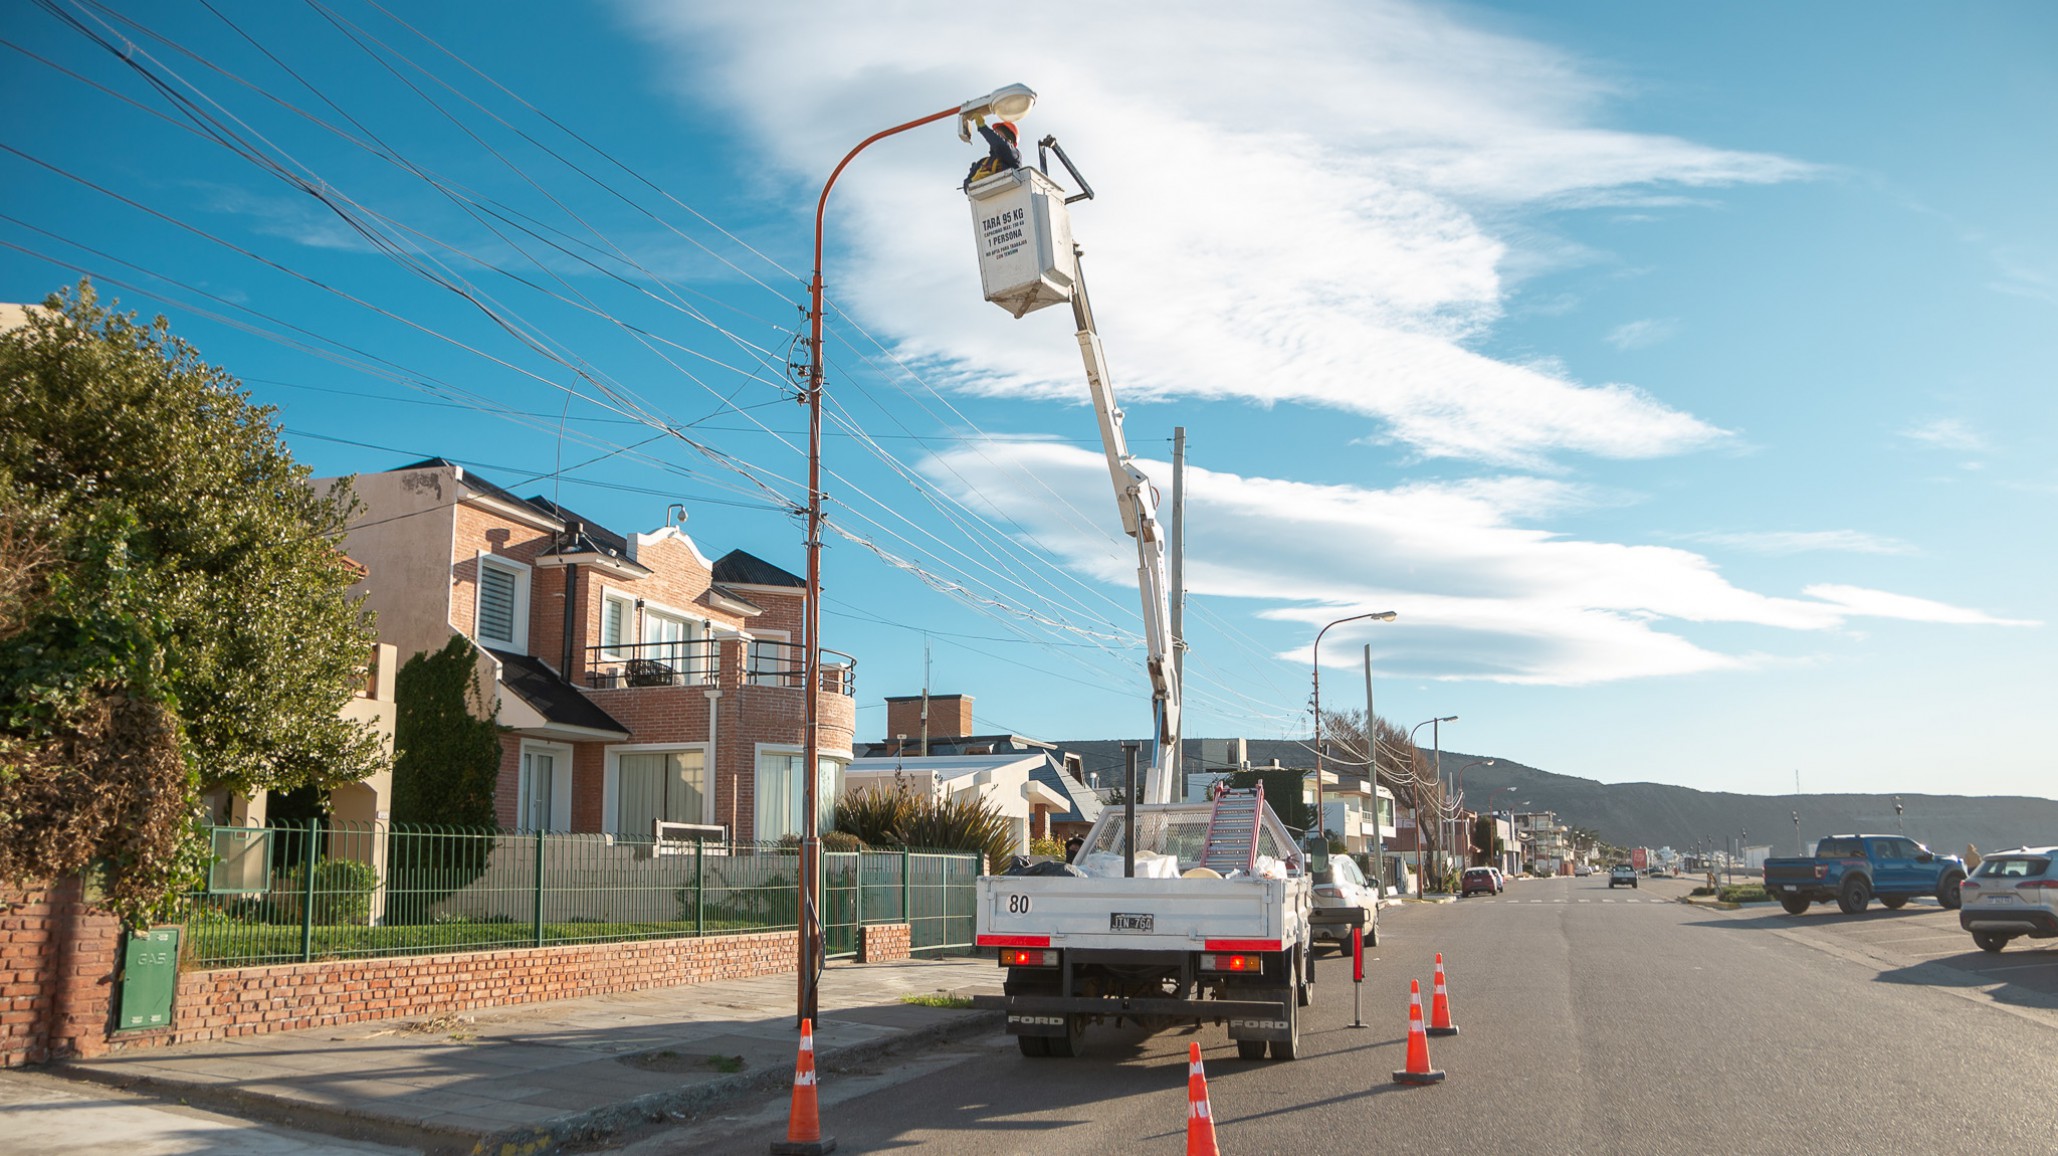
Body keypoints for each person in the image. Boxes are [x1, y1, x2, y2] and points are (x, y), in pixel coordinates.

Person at [962, 119, 1022, 190]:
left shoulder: (1015, 155)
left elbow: (1001, 145)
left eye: (997, 133)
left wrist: (982, 127)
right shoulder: (982, 162)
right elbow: (966, 186)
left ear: (1009, 138)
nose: (994, 135)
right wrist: (974, 180)